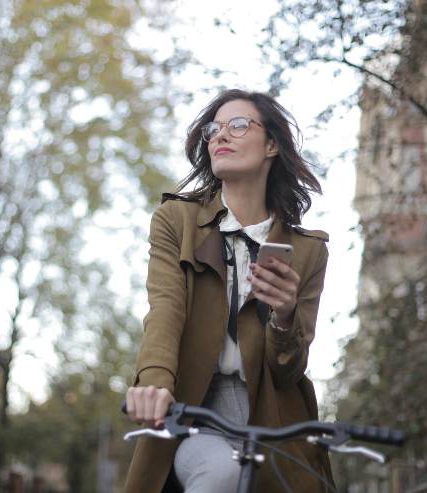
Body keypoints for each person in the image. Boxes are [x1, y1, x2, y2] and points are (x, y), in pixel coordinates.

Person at [124, 89, 334, 492]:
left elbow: (289, 369)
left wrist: (286, 314)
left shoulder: (308, 251)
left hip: (277, 422)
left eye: (238, 125)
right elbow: (165, 310)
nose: (220, 135)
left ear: (272, 144)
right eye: (213, 129)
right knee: (219, 475)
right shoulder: (176, 220)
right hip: (194, 409)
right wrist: (153, 382)